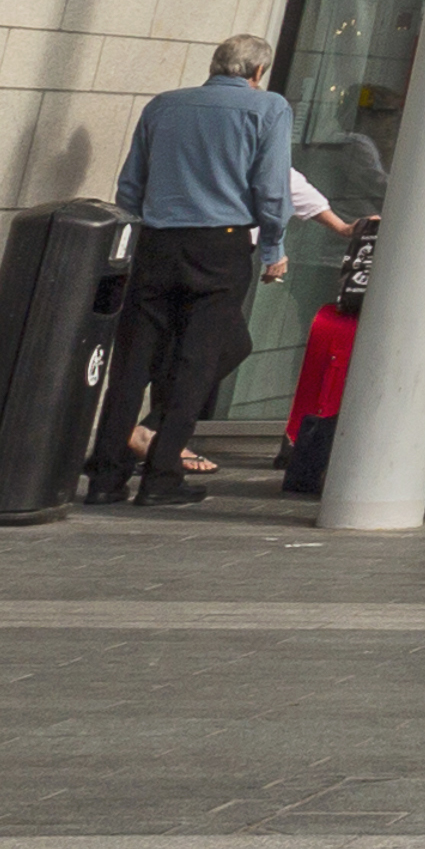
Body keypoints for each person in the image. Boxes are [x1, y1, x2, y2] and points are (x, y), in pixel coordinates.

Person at [89, 35, 310, 511]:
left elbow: (130, 185)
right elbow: (272, 188)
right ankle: (161, 476)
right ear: (258, 72)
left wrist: (137, 235)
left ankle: (105, 477)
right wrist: (273, 245)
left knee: (132, 362)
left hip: (156, 242)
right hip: (220, 244)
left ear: (214, 66)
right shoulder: (268, 108)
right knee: (196, 362)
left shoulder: (163, 106)